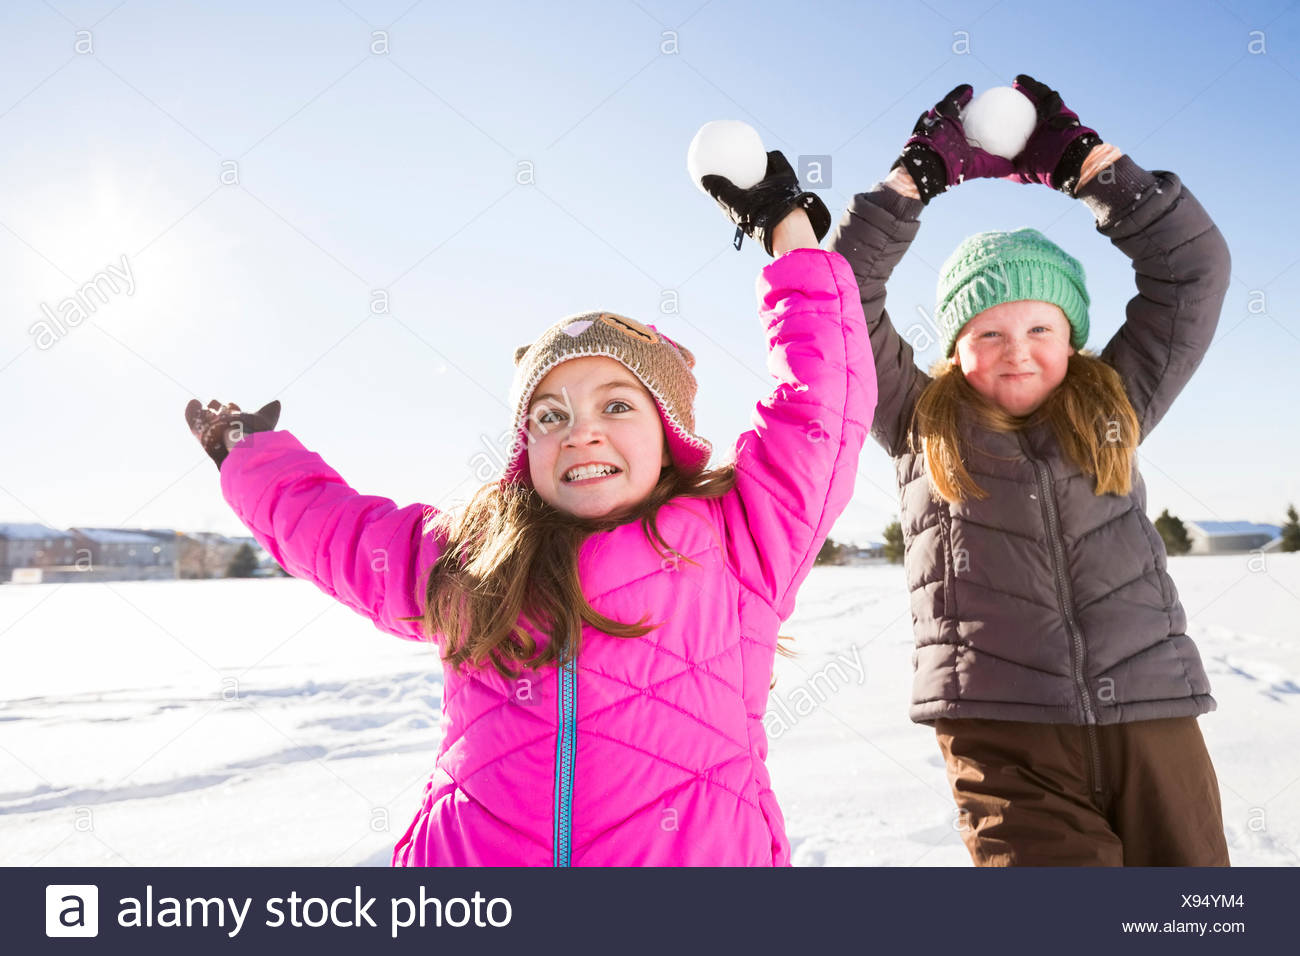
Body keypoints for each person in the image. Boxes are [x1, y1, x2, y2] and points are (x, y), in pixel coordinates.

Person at [184, 152, 877, 866]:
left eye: (616, 405)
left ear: (670, 436)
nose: (581, 430)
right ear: (524, 449)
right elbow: (339, 533)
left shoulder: (740, 538)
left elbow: (823, 404)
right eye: (550, 415)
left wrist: (785, 226)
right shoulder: (474, 554)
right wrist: (252, 457)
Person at [827, 76, 1231, 866]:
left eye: (1041, 324)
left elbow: (1194, 272)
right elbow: (841, 301)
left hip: (1151, 717)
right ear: (952, 350)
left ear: (1073, 333)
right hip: (1005, 738)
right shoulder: (918, 422)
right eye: (987, 331)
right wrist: (912, 183)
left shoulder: (1113, 403)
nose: (1018, 348)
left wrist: (1089, 166)